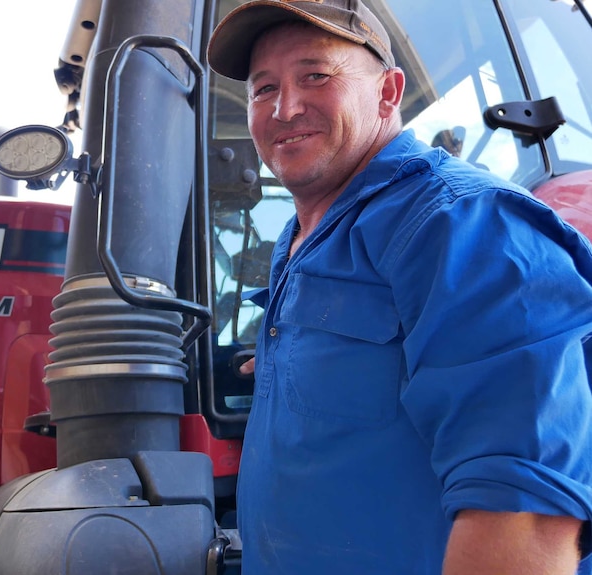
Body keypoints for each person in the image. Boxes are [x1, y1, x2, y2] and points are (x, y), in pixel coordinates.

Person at [206, 1, 592, 573]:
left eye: (315, 75)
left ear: (389, 92)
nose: (284, 108)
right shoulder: (305, 236)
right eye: (264, 89)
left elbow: (527, 512)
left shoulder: (460, 222)